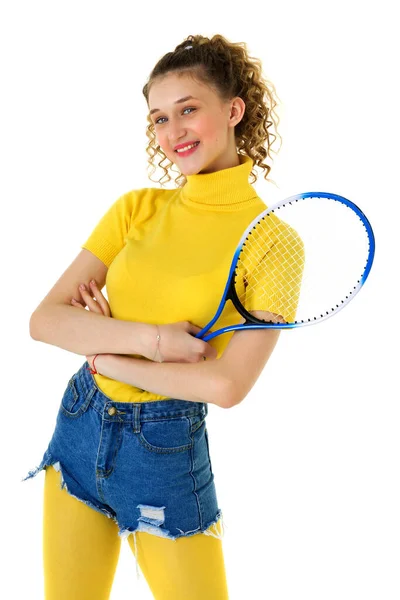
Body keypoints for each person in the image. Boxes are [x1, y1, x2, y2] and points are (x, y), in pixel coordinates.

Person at [22, 33, 289, 600]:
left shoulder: (273, 242)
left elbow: (225, 383)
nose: (173, 133)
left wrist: (103, 348)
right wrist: (156, 342)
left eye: (188, 109)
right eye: (160, 119)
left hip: (164, 448)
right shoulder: (135, 209)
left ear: (233, 109)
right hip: (80, 420)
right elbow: (44, 321)